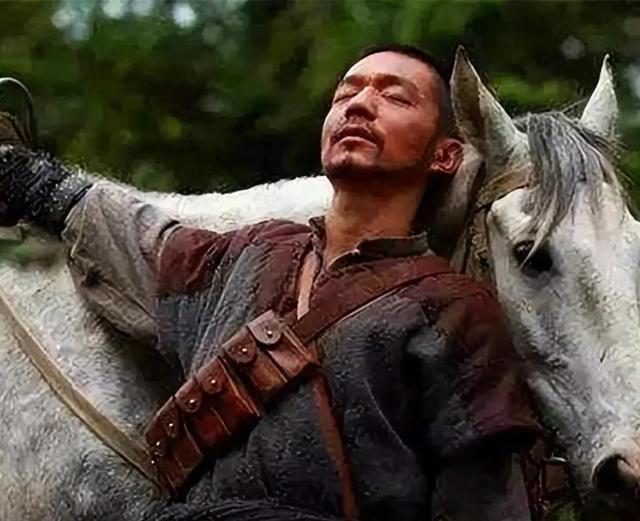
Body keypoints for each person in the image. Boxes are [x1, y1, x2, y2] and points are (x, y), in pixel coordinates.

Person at [0, 44, 540, 521]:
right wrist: (28, 177)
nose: (359, 104)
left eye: (394, 96)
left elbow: (487, 501)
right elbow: (135, 236)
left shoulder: (454, 309)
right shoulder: (249, 255)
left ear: (445, 155)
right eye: (346, 93)